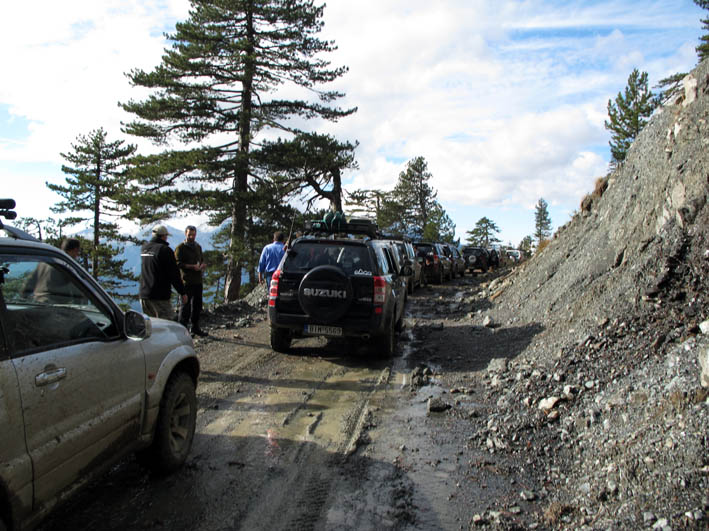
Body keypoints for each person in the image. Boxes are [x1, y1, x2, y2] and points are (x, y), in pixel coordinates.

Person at [139, 225, 187, 320]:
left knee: (152, 325)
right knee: (169, 324)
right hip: (159, 295)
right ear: (163, 236)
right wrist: (182, 292)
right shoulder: (165, 250)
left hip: (144, 294)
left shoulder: (144, 248)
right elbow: (174, 274)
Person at [22, 238, 86, 304]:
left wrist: (23, 299)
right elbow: (76, 288)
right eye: (78, 251)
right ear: (75, 250)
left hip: (38, 302)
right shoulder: (66, 265)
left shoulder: (44, 262)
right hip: (54, 306)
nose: (77, 254)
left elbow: (29, 282)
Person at [175, 225, 208, 337]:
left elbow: (201, 259)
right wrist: (191, 266)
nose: (192, 237)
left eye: (193, 235)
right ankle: (182, 331)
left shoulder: (198, 247)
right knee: (185, 306)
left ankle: (195, 327)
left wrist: (202, 265)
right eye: (190, 235)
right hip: (186, 281)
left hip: (198, 281)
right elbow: (177, 263)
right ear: (185, 234)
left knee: (197, 305)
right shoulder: (180, 248)